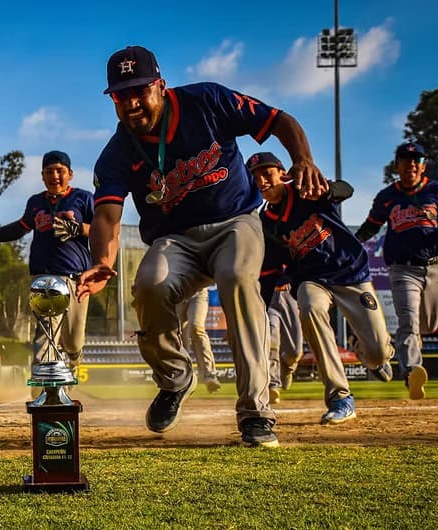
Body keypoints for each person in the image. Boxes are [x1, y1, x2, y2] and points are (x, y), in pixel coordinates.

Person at [77, 45, 328, 447]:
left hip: (235, 222)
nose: (132, 102)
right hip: (175, 239)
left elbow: (279, 119)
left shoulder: (207, 100)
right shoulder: (117, 151)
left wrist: (303, 158)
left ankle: (256, 413)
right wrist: (103, 261)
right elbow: (107, 215)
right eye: (122, 96)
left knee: (235, 279)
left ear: (160, 85)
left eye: (140, 90)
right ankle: (176, 379)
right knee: (148, 286)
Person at [252, 151, 394, 425]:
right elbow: (270, 271)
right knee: (309, 306)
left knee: (377, 351)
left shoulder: (306, 192)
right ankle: (340, 397)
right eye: (255, 178)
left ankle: (372, 355)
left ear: (283, 174)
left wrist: (325, 187)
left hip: (351, 273)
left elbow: (346, 190)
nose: (262, 181)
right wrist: (260, 307)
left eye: (267, 174)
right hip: (311, 280)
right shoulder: (266, 223)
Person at [355, 142, 438, 399]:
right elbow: (370, 226)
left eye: (416, 159)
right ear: (397, 166)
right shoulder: (387, 196)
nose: (410, 164)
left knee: (427, 325)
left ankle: (390, 349)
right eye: (405, 160)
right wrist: (351, 243)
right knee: (408, 322)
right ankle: (412, 371)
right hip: (402, 269)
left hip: (434, 267)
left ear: (423, 165)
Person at [0, 150, 93, 384]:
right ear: (42, 175)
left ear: (70, 174)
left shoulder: (83, 198)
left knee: (73, 341)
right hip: (44, 278)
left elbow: (101, 229)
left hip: (76, 278)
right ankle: (43, 388)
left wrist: (79, 228)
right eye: (49, 171)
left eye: (60, 171)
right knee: (45, 333)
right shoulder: (36, 203)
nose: (54, 176)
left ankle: (74, 361)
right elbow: (20, 228)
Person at [266, 275, 304, 404]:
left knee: (295, 351)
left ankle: (287, 367)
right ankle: (273, 384)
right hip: (267, 294)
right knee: (271, 340)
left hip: (290, 294)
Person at [175, 289, 220, 393]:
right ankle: (184, 377)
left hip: (198, 293)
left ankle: (209, 375)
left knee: (196, 327)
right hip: (177, 295)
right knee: (176, 333)